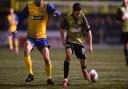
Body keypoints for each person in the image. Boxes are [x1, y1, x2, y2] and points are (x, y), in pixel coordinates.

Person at [17, 0, 61, 85]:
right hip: (31, 37)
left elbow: (55, 10)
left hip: (42, 38)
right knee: (26, 49)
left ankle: (49, 78)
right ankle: (31, 74)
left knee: (46, 58)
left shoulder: (46, 5)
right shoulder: (29, 6)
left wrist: (56, 12)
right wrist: (15, 29)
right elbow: (21, 17)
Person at [59, 3, 93, 87]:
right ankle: (65, 80)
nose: (79, 14)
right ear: (73, 11)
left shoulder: (82, 16)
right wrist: (63, 40)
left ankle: (84, 69)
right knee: (68, 55)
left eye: (79, 12)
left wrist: (90, 46)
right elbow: (61, 28)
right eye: (77, 13)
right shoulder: (67, 18)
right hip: (69, 41)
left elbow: (89, 31)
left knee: (83, 63)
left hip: (79, 42)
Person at [117, 0, 128, 66]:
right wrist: (122, 19)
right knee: (126, 44)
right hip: (124, 29)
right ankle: (127, 59)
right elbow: (117, 18)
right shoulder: (120, 8)